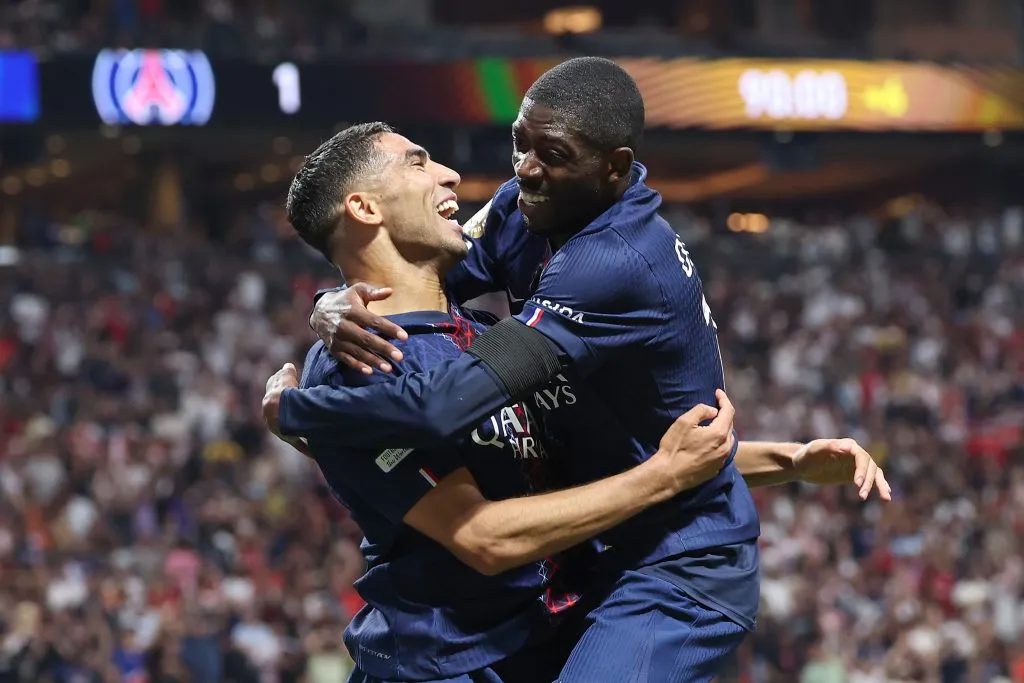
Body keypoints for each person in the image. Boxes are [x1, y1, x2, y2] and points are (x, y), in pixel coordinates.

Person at [265, 59, 890, 683]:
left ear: (613, 167)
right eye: (520, 144)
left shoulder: (606, 266)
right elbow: (414, 277)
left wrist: (297, 414)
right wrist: (328, 304)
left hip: (668, 569)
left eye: (554, 154)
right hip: (464, 649)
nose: (521, 170)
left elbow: (448, 403)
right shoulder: (504, 234)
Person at [279, 121, 744, 683]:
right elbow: (485, 537)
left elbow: (597, 460)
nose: (450, 175)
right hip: (443, 666)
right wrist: (664, 478)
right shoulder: (361, 368)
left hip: (534, 647)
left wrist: (781, 461)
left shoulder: (480, 337)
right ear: (364, 207)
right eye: (418, 162)